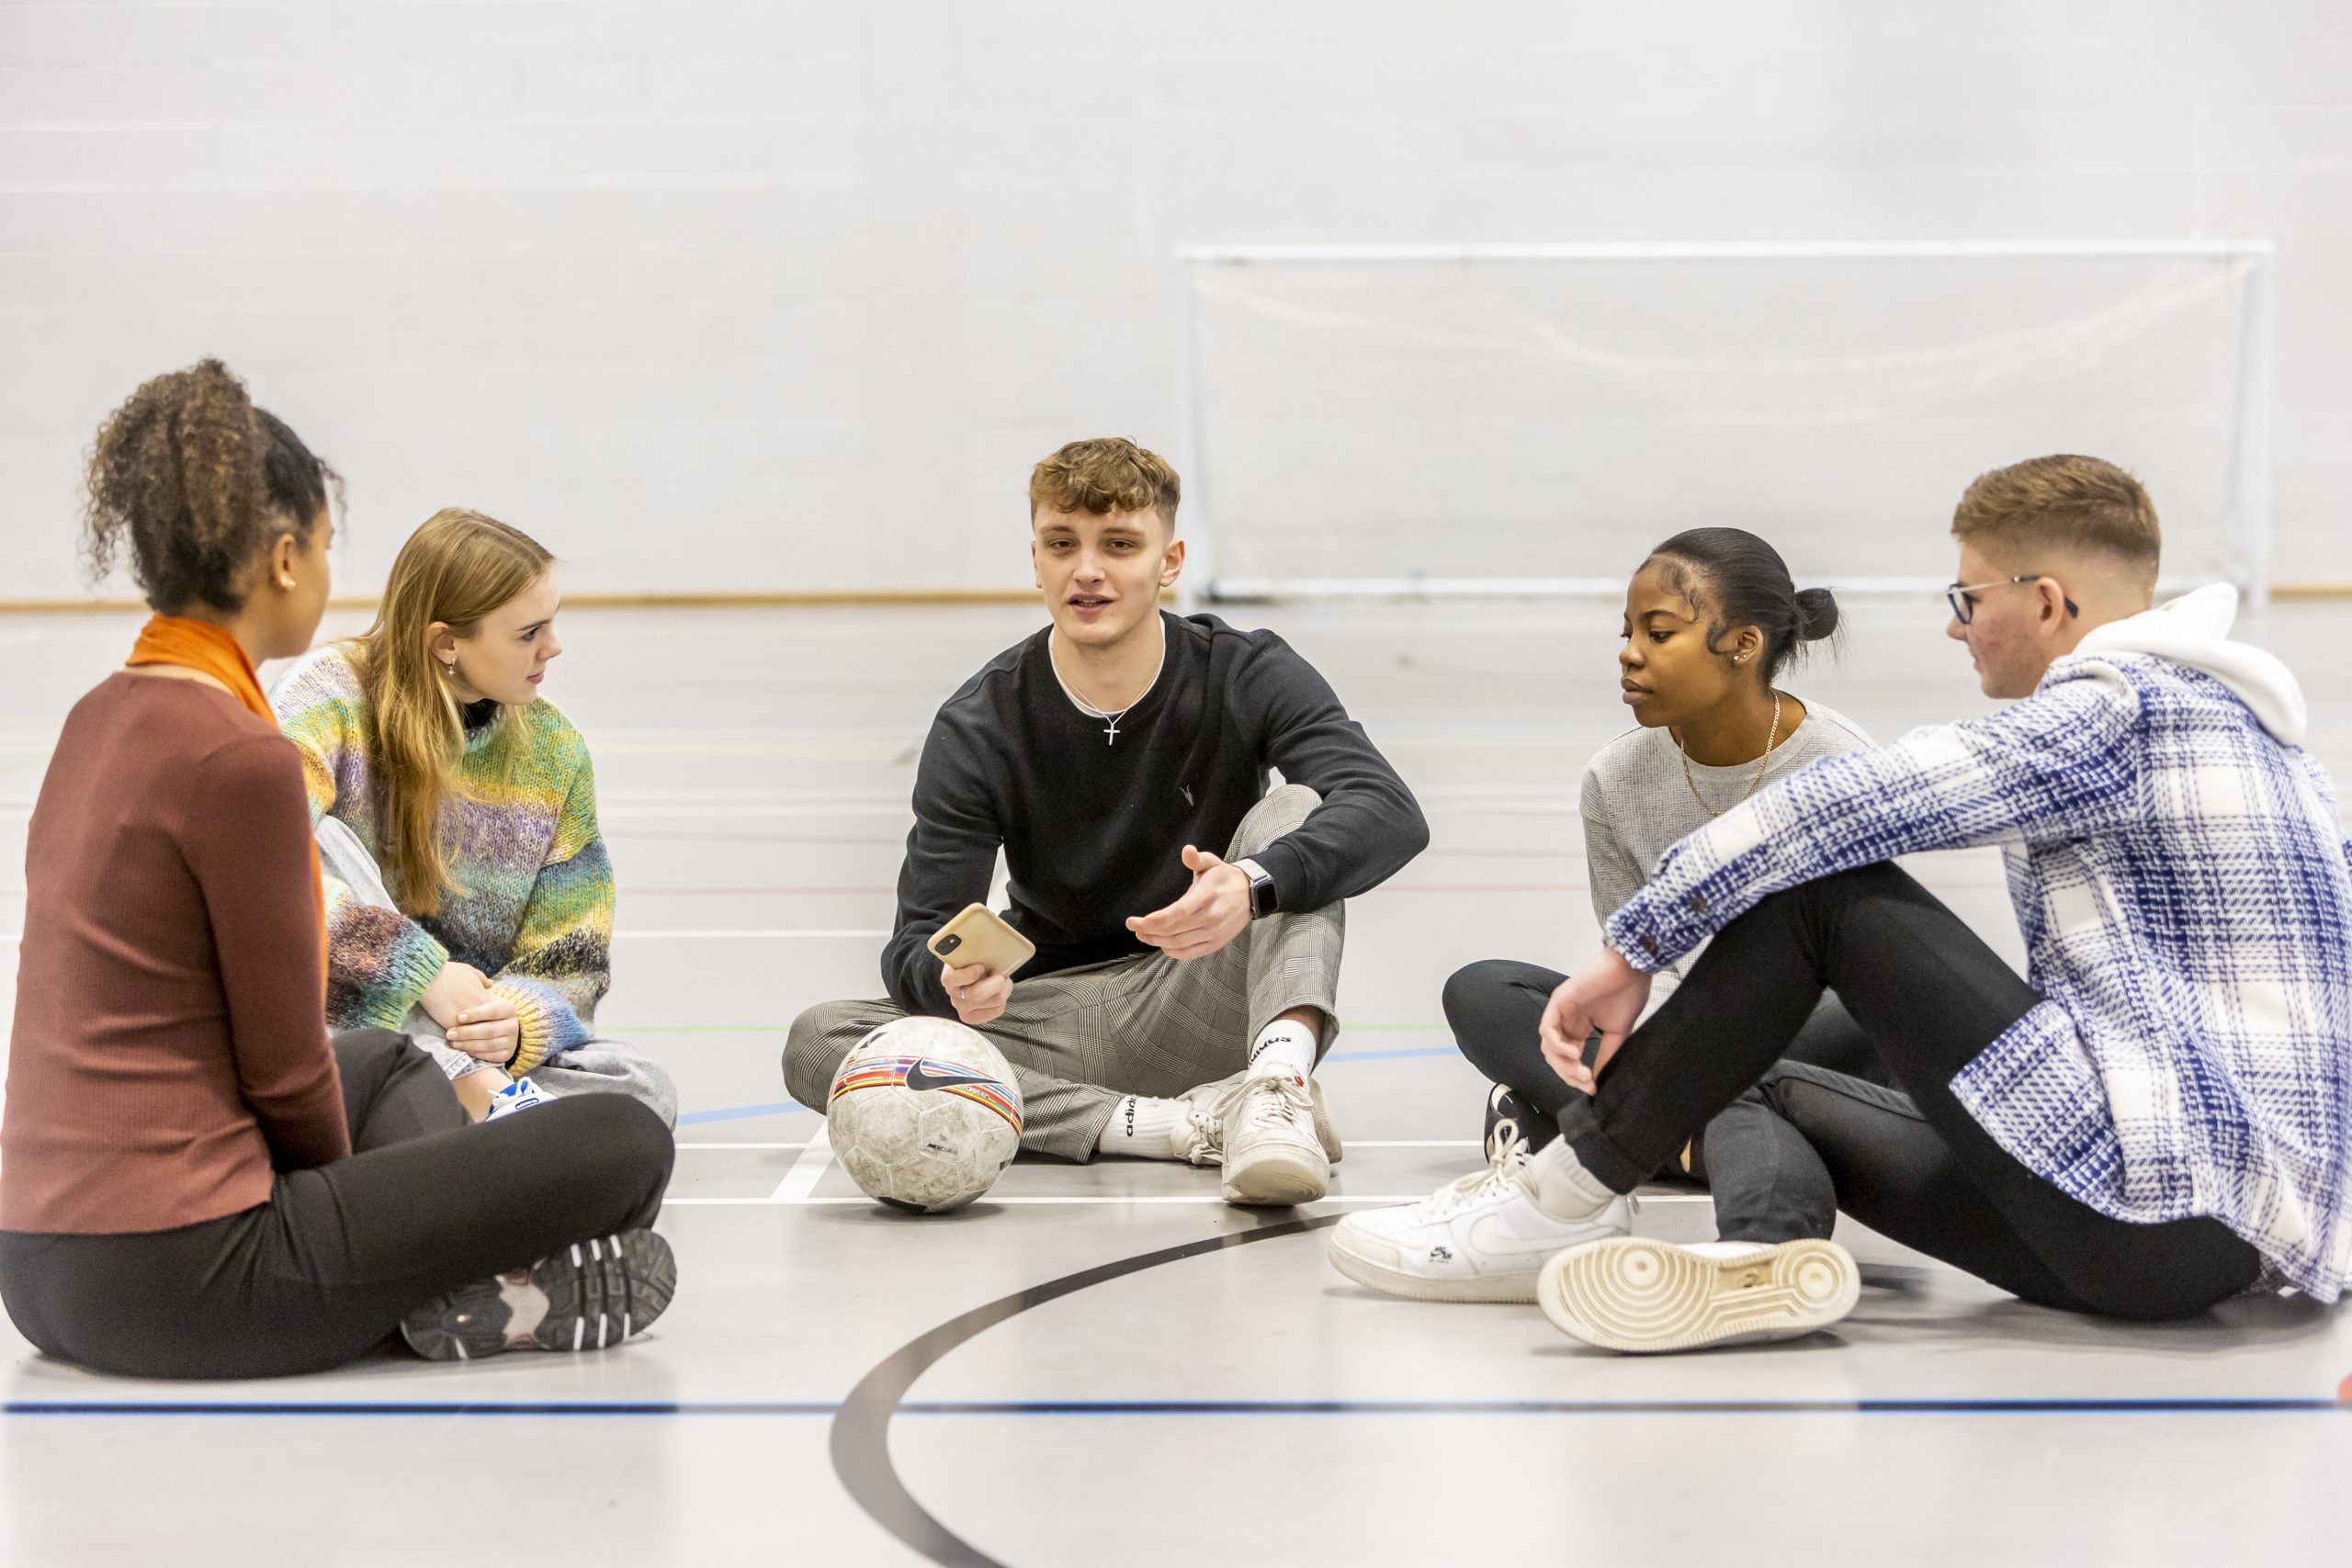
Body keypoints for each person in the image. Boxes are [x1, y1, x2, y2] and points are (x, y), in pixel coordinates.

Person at [1340, 455, 2352, 1354]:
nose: (1951, 627)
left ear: (2046, 602)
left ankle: (1558, 1203)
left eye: (1965, 599)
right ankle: (1762, 1256)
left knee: (1823, 893)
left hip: (2149, 1210)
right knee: (1761, 1085)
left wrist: (1636, 946)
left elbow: (1844, 804)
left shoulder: (2115, 711)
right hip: (2200, 1252)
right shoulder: (2283, 758)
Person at [0, 361, 677, 1379]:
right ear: (283, 560)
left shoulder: (98, 717)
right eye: (323, 548)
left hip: (42, 1279)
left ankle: (460, 1271)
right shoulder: (241, 758)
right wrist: (400, 1223)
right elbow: (282, 1073)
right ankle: (452, 1294)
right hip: (187, 1279)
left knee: (385, 1062)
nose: (326, 572)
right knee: (625, 1137)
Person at [784, 437, 1429, 1205]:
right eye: (1063, 545)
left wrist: (1250, 886)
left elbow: (1388, 808)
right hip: (1051, 1022)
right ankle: (1177, 1126)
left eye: (1119, 545)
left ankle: (1276, 1088)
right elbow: (916, 939)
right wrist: (952, 982)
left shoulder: (1243, 670)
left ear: (1171, 560)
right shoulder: (979, 721)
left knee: (1298, 816)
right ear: (1036, 560)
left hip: (1204, 989)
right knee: (821, 1040)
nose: (1086, 570)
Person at [1331, 528, 1879, 1303]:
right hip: (1678, 1026)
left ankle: (1641, 1148)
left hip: (1812, 1027)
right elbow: (1633, 963)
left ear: (1743, 644)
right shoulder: (1616, 778)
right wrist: (1683, 1051)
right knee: (1484, 992)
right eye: (1626, 632)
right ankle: (1708, 1165)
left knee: (1769, 1063)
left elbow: (1862, 969)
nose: (1629, 653)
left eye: (1659, 633)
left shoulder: (1842, 766)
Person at [272, 508, 675, 1125]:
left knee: (642, 1093)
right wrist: (419, 973)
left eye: (552, 623)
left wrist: (516, 1022)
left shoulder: (555, 751)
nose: (554, 646)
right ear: (446, 643)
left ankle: (462, 1106)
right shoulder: (326, 696)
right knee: (311, 836)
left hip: (467, 1041)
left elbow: (573, 955)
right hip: (334, 1024)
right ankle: (481, 1110)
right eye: (528, 632)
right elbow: (260, 871)